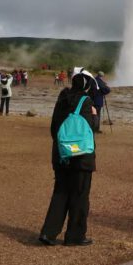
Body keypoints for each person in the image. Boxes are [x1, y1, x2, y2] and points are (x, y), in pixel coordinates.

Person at [39, 70, 98, 246]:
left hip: (61, 155)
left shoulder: (62, 99)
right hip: (81, 158)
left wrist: (63, 148)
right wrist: (94, 114)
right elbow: (91, 128)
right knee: (80, 196)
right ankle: (75, 236)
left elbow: (53, 128)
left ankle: (48, 233)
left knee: (60, 194)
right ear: (87, 87)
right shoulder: (86, 102)